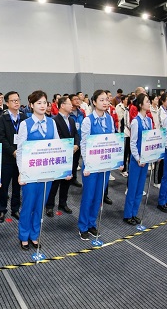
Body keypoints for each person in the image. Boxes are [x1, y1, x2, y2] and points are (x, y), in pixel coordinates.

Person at [16, 91, 63, 250]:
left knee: (40, 205)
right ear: (31, 105)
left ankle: (34, 235)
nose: (43, 106)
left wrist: (60, 169)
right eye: (39, 103)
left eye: (44, 102)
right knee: (28, 205)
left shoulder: (52, 122)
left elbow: (57, 146)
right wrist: (21, 172)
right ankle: (24, 236)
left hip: (46, 171)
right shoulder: (25, 124)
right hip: (30, 172)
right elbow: (20, 150)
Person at [78, 90, 116, 240]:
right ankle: (83, 226)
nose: (105, 102)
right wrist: (87, 164)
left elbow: (112, 140)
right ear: (94, 102)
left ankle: (91, 223)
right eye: (101, 100)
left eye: (106, 100)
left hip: (104, 163)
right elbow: (84, 143)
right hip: (91, 165)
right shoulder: (88, 120)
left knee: (99, 196)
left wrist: (114, 161)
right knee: (88, 196)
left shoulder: (110, 119)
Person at [46, 95, 79, 217]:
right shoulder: (54, 120)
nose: (72, 106)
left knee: (67, 180)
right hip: (59, 155)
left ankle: (63, 203)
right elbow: (57, 137)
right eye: (69, 104)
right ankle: (49, 205)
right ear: (62, 106)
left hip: (71, 154)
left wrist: (76, 144)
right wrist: (68, 147)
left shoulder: (71, 120)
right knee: (55, 182)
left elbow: (76, 134)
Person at [0, 91, 26, 222]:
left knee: (17, 186)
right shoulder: (2, 118)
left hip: (21, 158)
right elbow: (1, 138)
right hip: (7, 158)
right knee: (4, 186)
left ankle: (15, 209)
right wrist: (13, 152)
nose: (16, 102)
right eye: (13, 100)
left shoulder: (24, 117)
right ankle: (2, 210)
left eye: (18, 100)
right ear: (7, 103)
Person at [123, 93, 153, 225]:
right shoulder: (135, 121)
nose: (149, 103)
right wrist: (137, 158)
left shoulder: (149, 120)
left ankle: (134, 213)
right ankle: (128, 214)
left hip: (145, 159)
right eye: (147, 101)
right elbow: (133, 143)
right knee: (133, 187)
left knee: (140, 187)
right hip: (137, 160)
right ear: (140, 105)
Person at [69, 94, 85, 187]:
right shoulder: (68, 113)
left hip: (79, 139)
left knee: (76, 161)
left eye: (78, 99)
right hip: (70, 139)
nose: (77, 101)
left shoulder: (81, 112)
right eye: (75, 99)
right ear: (70, 101)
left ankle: (74, 178)